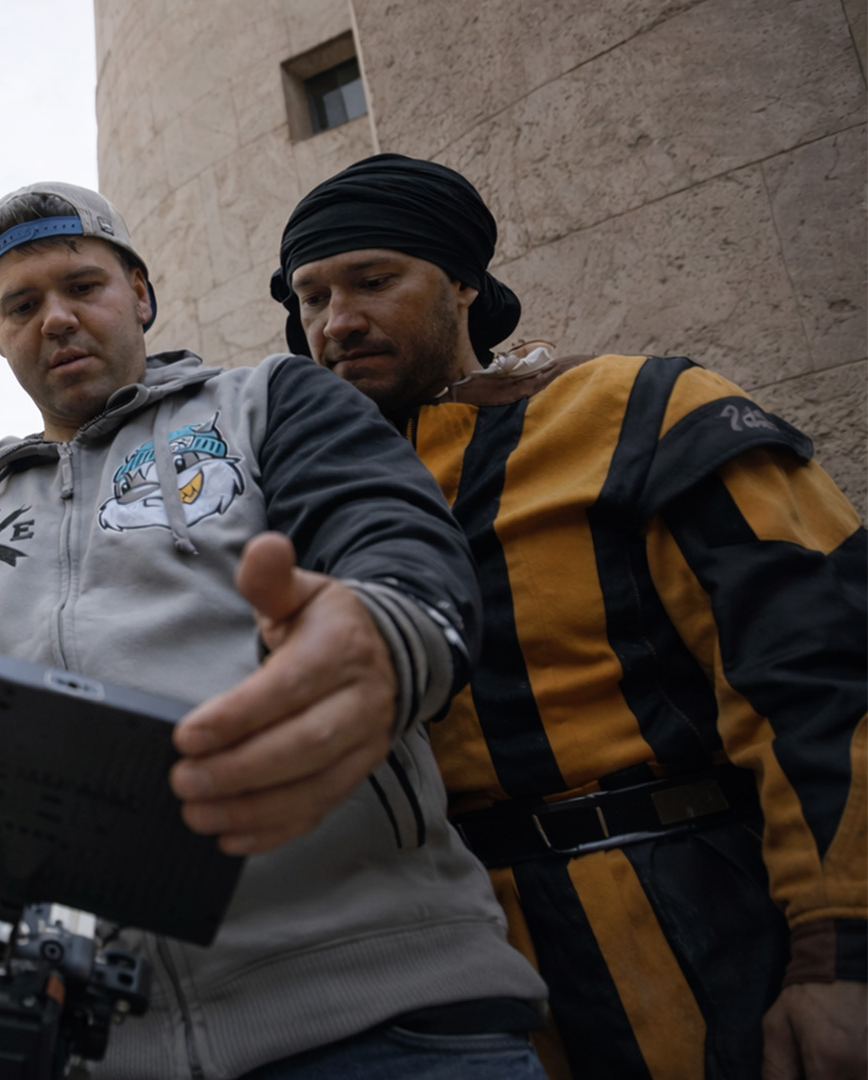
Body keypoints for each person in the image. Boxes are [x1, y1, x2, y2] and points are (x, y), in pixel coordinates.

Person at [0, 181, 550, 1078]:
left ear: (140, 294)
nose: (57, 319)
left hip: (391, 1019)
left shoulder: (272, 401)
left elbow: (397, 542)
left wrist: (379, 635)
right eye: (22, 305)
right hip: (102, 1053)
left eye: (84, 286)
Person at [269, 153, 866, 1079]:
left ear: (463, 283)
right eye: (312, 298)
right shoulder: (301, 499)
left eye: (373, 281)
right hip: (446, 978)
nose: (337, 321)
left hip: (709, 922)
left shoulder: (645, 410)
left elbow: (819, 672)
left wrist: (840, 951)